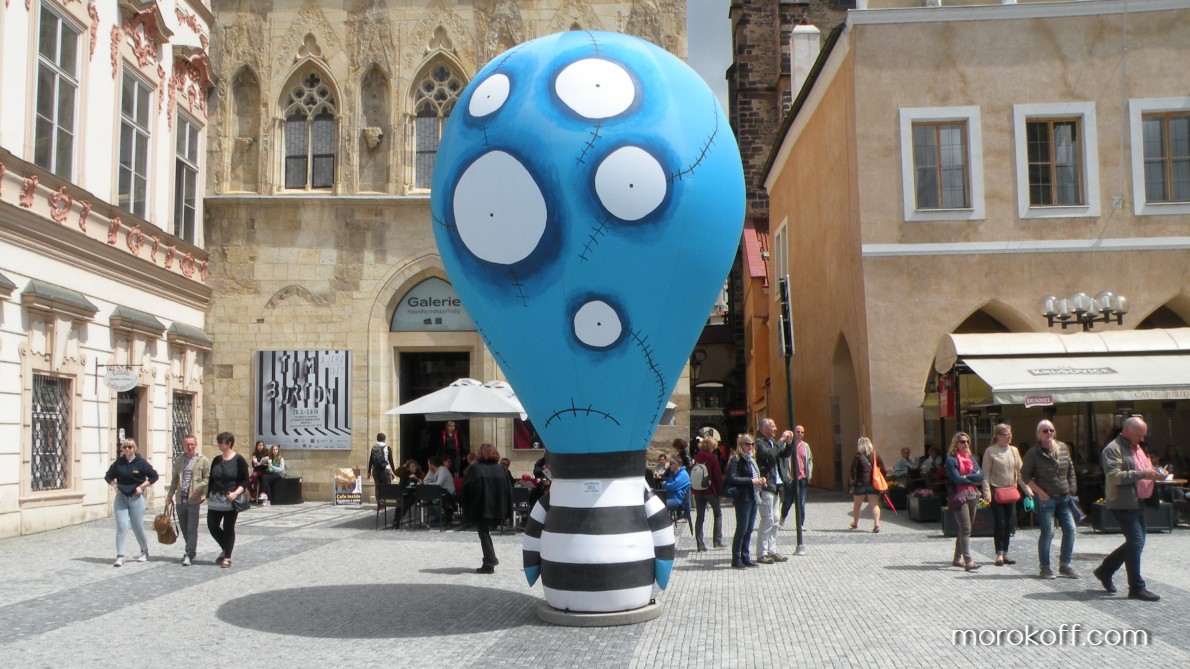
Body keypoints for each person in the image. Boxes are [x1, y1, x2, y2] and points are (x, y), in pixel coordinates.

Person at [1094, 417, 1162, 601]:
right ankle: (1136, 588)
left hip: (1140, 501)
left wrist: (1156, 474)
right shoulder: (1112, 449)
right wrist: (1143, 474)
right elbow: (1113, 476)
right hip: (1123, 503)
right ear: (1127, 431)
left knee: (1136, 543)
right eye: (1139, 435)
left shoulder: (1138, 446)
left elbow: (1143, 468)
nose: (1142, 439)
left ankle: (1105, 570)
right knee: (1136, 542)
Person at [1021, 419, 1079, 579]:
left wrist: (1071, 489)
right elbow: (1025, 475)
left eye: (1051, 430)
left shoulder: (1062, 448)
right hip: (1045, 499)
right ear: (1038, 434)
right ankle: (1045, 567)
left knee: (1071, 530)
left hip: (1063, 497)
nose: (1049, 433)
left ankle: (1065, 565)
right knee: (1048, 532)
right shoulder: (1033, 453)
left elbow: (1071, 470)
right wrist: (1039, 492)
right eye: (1045, 431)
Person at [104, 439, 160, 567]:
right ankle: (120, 556)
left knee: (137, 526)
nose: (127, 449)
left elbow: (154, 476)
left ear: (134, 448)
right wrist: (115, 485)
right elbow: (108, 476)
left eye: (130, 447)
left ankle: (144, 551)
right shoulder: (119, 463)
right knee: (122, 526)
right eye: (125, 447)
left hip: (136, 498)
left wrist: (142, 487)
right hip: (121, 498)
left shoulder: (141, 463)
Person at [981, 424, 1029, 567]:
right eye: (1006, 434)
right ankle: (999, 554)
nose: (1010, 436)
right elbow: (985, 474)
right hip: (997, 491)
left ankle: (1006, 553)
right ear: (998, 436)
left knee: (1009, 523)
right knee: (1000, 523)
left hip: (1011, 491)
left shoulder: (1014, 450)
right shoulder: (990, 451)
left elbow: (1020, 473)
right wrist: (987, 493)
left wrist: (1027, 489)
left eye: (1010, 433)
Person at [462, 444, 514, 574]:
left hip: (482, 507)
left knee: (483, 532)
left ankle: (489, 561)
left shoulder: (476, 469)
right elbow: (509, 488)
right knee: (484, 533)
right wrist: (507, 507)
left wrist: (467, 507)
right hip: (498, 506)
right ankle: (490, 559)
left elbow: (468, 489)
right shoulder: (501, 469)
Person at [165, 434, 210, 567]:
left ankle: (189, 553)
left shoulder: (202, 460)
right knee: (184, 527)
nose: (190, 447)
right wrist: (170, 495)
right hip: (180, 498)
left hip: (194, 499)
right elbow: (175, 479)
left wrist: (198, 490)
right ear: (183, 445)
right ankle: (191, 549)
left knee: (192, 528)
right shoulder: (180, 460)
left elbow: (207, 478)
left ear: (195, 445)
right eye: (187, 444)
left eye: (192, 444)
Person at [207, 431, 249, 568]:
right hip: (215, 498)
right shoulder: (216, 459)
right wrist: (207, 495)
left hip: (230, 499)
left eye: (221, 443)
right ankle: (226, 547)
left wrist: (236, 493)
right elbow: (211, 479)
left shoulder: (238, 460)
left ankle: (227, 557)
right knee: (212, 525)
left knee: (228, 527)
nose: (219, 445)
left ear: (229, 444)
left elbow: (245, 480)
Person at [754, 418, 792, 563]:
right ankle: (761, 552)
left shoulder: (771, 442)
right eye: (773, 426)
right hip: (766, 485)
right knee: (767, 519)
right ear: (764, 428)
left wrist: (788, 444)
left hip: (776, 486)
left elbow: (783, 454)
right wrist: (781, 440)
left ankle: (772, 550)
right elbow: (770, 454)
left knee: (775, 520)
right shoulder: (759, 442)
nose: (776, 429)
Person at [945, 432, 984, 571]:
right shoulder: (951, 460)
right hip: (959, 496)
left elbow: (982, 476)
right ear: (956, 444)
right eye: (962, 441)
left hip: (972, 494)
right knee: (966, 528)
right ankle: (968, 561)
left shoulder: (971, 458)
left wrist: (966, 476)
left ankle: (957, 558)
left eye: (967, 441)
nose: (966, 444)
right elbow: (956, 479)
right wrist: (972, 477)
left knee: (965, 528)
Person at [725, 434, 764, 568]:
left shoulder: (752, 459)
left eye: (752, 444)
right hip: (743, 498)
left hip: (753, 496)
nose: (750, 446)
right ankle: (736, 559)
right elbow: (731, 478)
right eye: (747, 444)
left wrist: (761, 480)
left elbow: (755, 475)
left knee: (749, 529)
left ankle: (745, 557)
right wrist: (751, 481)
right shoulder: (736, 459)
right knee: (742, 529)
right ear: (741, 445)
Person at [692, 436, 725, 552]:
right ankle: (717, 541)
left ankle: (700, 545)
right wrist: (721, 491)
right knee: (718, 514)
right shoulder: (712, 458)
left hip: (698, 490)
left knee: (699, 517)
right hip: (710, 490)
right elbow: (717, 476)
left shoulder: (697, 456)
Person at [848, 437, 884, 533]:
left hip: (860, 484)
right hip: (873, 483)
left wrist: (852, 485)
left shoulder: (858, 456)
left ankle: (855, 523)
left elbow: (854, 472)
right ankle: (877, 524)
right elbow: (883, 470)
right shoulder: (876, 455)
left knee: (857, 505)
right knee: (874, 505)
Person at [782, 425, 813, 531]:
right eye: (798, 431)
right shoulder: (788, 445)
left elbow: (809, 460)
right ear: (794, 433)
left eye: (802, 432)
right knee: (788, 501)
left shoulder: (806, 446)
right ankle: (782, 517)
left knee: (801, 502)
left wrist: (809, 474)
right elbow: (782, 461)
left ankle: (800, 524)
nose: (800, 434)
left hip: (802, 478)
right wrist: (785, 475)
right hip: (790, 478)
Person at [424, 456, 456, 526]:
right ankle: (435, 518)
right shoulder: (433, 471)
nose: (428, 466)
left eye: (428, 464)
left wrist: (429, 483)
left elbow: (438, 484)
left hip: (448, 494)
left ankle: (439, 518)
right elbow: (425, 482)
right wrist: (430, 472)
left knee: (434, 499)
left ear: (431, 464)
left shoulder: (442, 469)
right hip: (440, 492)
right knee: (426, 499)